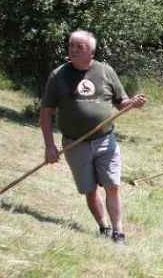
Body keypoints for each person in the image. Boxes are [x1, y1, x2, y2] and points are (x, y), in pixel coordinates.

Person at [39, 29, 147, 244]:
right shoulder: (58, 75)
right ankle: (103, 227)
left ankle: (118, 231)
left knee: (112, 185)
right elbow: (46, 111)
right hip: (74, 144)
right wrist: (49, 146)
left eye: (80, 46)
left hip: (105, 140)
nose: (74, 50)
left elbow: (121, 102)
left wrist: (132, 103)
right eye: (71, 46)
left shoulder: (106, 72)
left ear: (92, 51)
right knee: (89, 190)